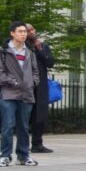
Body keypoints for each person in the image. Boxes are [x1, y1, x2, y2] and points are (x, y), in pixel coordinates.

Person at [0, 21, 39, 167]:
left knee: (24, 127)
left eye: (25, 31)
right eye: (20, 31)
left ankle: (24, 156)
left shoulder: (29, 52)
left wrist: (32, 82)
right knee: (7, 126)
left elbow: (35, 71)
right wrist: (14, 82)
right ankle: (5, 156)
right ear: (12, 33)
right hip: (9, 94)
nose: (23, 34)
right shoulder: (2, 51)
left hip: (26, 94)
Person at [26, 24, 56, 153]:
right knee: (25, 115)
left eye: (32, 29)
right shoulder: (22, 47)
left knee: (40, 115)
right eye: (27, 30)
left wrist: (40, 49)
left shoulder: (42, 46)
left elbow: (50, 63)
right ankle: (23, 145)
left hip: (41, 85)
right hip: (27, 85)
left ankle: (37, 144)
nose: (31, 32)